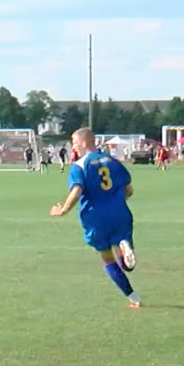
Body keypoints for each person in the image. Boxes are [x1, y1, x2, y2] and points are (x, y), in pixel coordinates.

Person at [49, 128, 142, 309]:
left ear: (84, 143)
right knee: (127, 263)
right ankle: (123, 246)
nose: (73, 146)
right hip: (120, 213)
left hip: (96, 218)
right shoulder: (113, 162)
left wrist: (63, 210)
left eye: (74, 142)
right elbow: (129, 189)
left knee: (108, 260)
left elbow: (76, 190)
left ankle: (134, 297)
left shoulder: (79, 166)